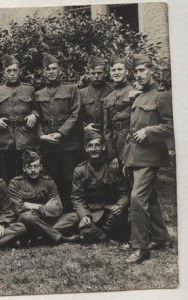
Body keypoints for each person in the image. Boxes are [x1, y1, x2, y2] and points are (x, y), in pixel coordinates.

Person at [122, 54, 174, 263]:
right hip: (136, 156)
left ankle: (140, 247)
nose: (139, 74)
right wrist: (127, 159)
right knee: (149, 198)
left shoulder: (162, 95)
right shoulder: (139, 96)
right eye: (136, 71)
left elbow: (172, 127)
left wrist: (149, 131)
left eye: (143, 70)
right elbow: (132, 131)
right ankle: (161, 238)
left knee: (137, 198)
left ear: (151, 70)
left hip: (151, 156)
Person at [35, 53, 83, 212]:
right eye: (47, 69)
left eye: (54, 68)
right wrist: (41, 136)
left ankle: (70, 216)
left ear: (60, 70)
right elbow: (37, 118)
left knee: (69, 180)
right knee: (52, 182)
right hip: (49, 146)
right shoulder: (38, 94)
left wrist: (61, 134)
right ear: (43, 72)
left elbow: (76, 114)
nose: (51, 72)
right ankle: (55, 215)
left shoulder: (71, 89)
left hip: (69, 144)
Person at [9, 150, 80, 246]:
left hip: (47, 221)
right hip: (29, 223)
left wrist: (38, 207)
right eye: (29, 167)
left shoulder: (48, 181)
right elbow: (19, 210)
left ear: (41, 167)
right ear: (23, 168)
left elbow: (58, 209)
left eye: (36, 166)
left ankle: (40, 238)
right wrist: (46, 207)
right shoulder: (15, 183)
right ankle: (59, 238)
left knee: (74, 216)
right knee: (27, 216)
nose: (33, 170)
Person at [71, 131, 131, 244]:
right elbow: (77, 198)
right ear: (86, 148)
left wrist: (120, 205)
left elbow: (125, 193)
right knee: (86, 230)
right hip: (92, 213)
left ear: (103, 147)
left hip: (111, 212)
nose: (94, 149)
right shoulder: (80, 170)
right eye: (90, 146)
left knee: (119, 219)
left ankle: (99, 235)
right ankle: (106, 238)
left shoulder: (113, 167)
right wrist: (84, 216)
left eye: (97, 145)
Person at [0, 55, 39, 184]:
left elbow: (36, 108)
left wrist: (34, 115)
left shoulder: (29, 89)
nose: (12, 74)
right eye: (8, 71)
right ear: (3, 73)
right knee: (6, 178)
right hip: (4, 141)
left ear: (20, 71)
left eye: (15, 70)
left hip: (25, 139)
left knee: (28, 175)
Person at [103, 56, 135, 175]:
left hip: (131, 141)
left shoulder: (134, 91)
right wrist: (111, 156)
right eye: (113, 70)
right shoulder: (108, 98)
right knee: (119, 182)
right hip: (116, 144)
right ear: (110, 73)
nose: (116, 73)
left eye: (119, 69)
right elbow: (107, 129)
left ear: (126, 71)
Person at [79, 56, 113, 132]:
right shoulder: (81, 93)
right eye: (93, 73)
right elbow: (77, 116)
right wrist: (84, 127)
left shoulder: (113, 90)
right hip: (89, 135)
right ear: (88, 74)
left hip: (109, 134)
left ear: (105, 73)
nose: (96, 76)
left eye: (99, 73)